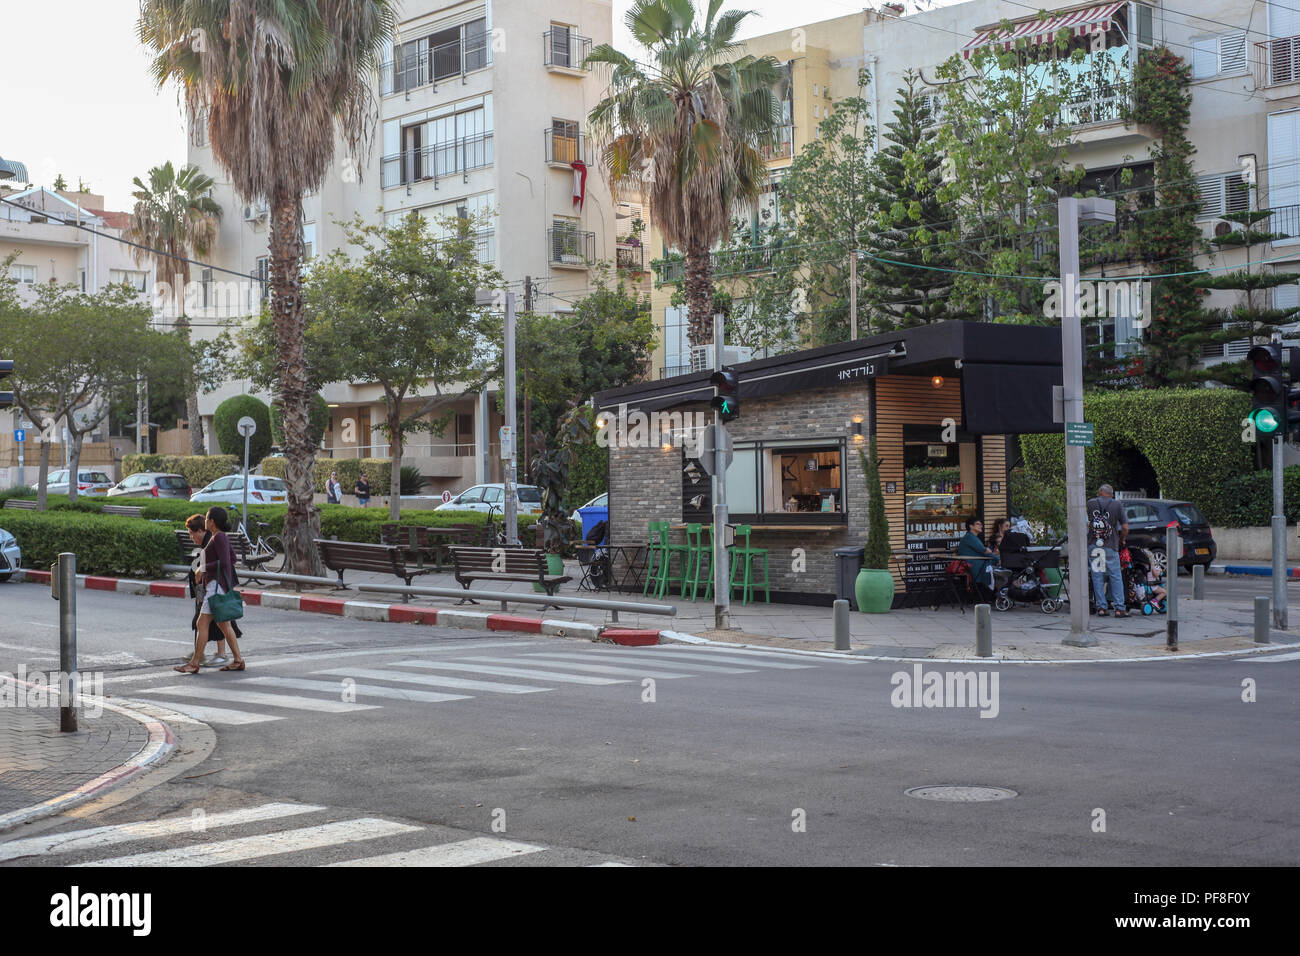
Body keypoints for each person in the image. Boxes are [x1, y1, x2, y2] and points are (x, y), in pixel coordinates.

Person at [175, 507, 247, 673]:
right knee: (224, 625)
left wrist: (203, 568)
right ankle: (238, 660)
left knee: (202, 623)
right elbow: (232, 558)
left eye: (207, 518)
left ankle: (194, 663)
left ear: (212, 521)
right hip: (217, 586)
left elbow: (225, 562)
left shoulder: (219, 537)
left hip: (216, 586)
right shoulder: (219, 537)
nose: (205, 521)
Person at [1086, 483, 1129, 618]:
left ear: (1100, 492)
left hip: (1094, 546)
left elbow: (1086, 523)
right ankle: (1119, 608)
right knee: (1115, 576)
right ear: (1111, 493)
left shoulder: (1090, 503)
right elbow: (1125, 527)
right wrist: (1122, 539)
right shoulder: (1117, 504)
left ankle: (1102, 608)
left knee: (1097, 576)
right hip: (1111, 545)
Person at [957, 517, 996, 594]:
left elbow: (985, 551)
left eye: (981, 524)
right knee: (999, 570)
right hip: (973, 565)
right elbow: (984, 551)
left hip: (975, 563)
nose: (981, 526)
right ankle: (996, 594)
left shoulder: (972, 537)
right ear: (971, 526)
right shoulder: (970, 537)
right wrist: (998, 559)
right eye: (978, 524)